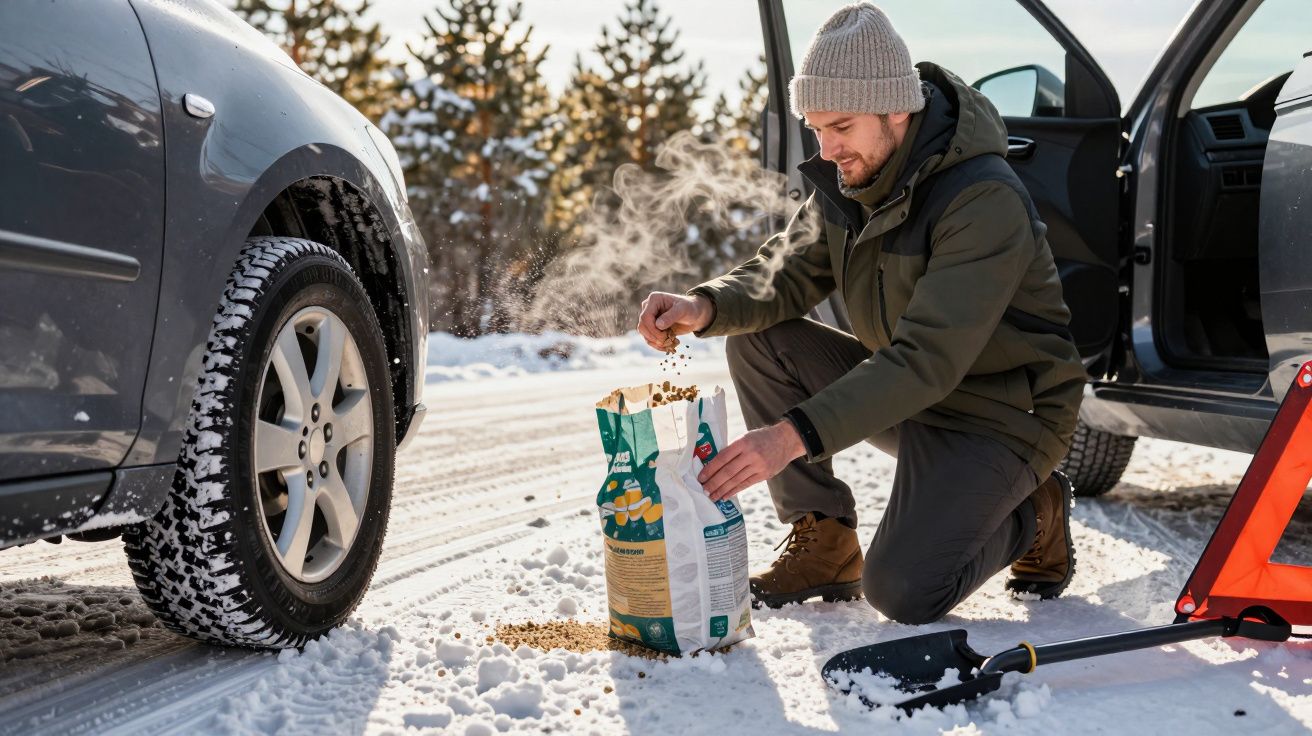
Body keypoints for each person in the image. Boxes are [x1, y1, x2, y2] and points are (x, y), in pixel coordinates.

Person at [636, 2, 1087, 624]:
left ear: (896, 108)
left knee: (903, 591)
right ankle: (825, 540)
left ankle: (1037, 513)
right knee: (759, 340)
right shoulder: (854, 179)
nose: (828, 148)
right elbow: (786, 272)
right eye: (817, 128)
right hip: (916, 399)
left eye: (841, 125)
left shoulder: (982, 198)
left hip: (1003, 415)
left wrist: (789, 437)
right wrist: (705, 304)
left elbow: (926, 358)